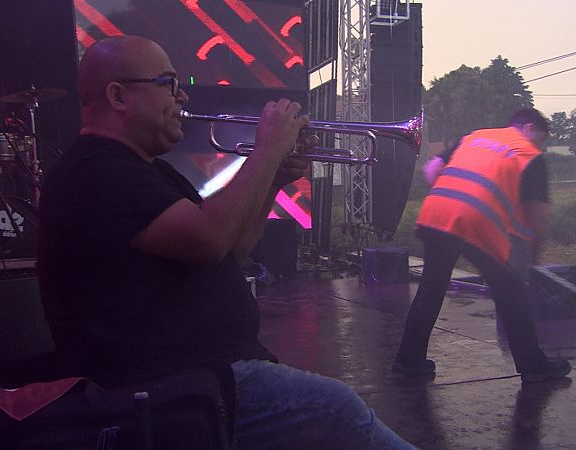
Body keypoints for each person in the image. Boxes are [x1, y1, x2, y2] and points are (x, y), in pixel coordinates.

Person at [38, 35, 415, 448]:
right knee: (332, 406)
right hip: (165, 386)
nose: (182, 94)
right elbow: (210, 238)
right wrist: (268, 147)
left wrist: (271, 180)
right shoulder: (96, 171)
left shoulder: (145, 171)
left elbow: (232, 250)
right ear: (118, 95)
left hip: (202, 374)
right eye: (168, 82)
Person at [393, 109, 572, 383]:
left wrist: (453, 197)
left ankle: (409, 361)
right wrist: (531, 258)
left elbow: (432, 169)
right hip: (476, 221)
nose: (540, 146)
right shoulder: (529, 155)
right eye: (540, 139)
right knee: (511, 291)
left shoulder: (474, 137)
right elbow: (539, 216)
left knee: (430, 289)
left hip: (436, 212)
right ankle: (534, 366)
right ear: (528, 128)